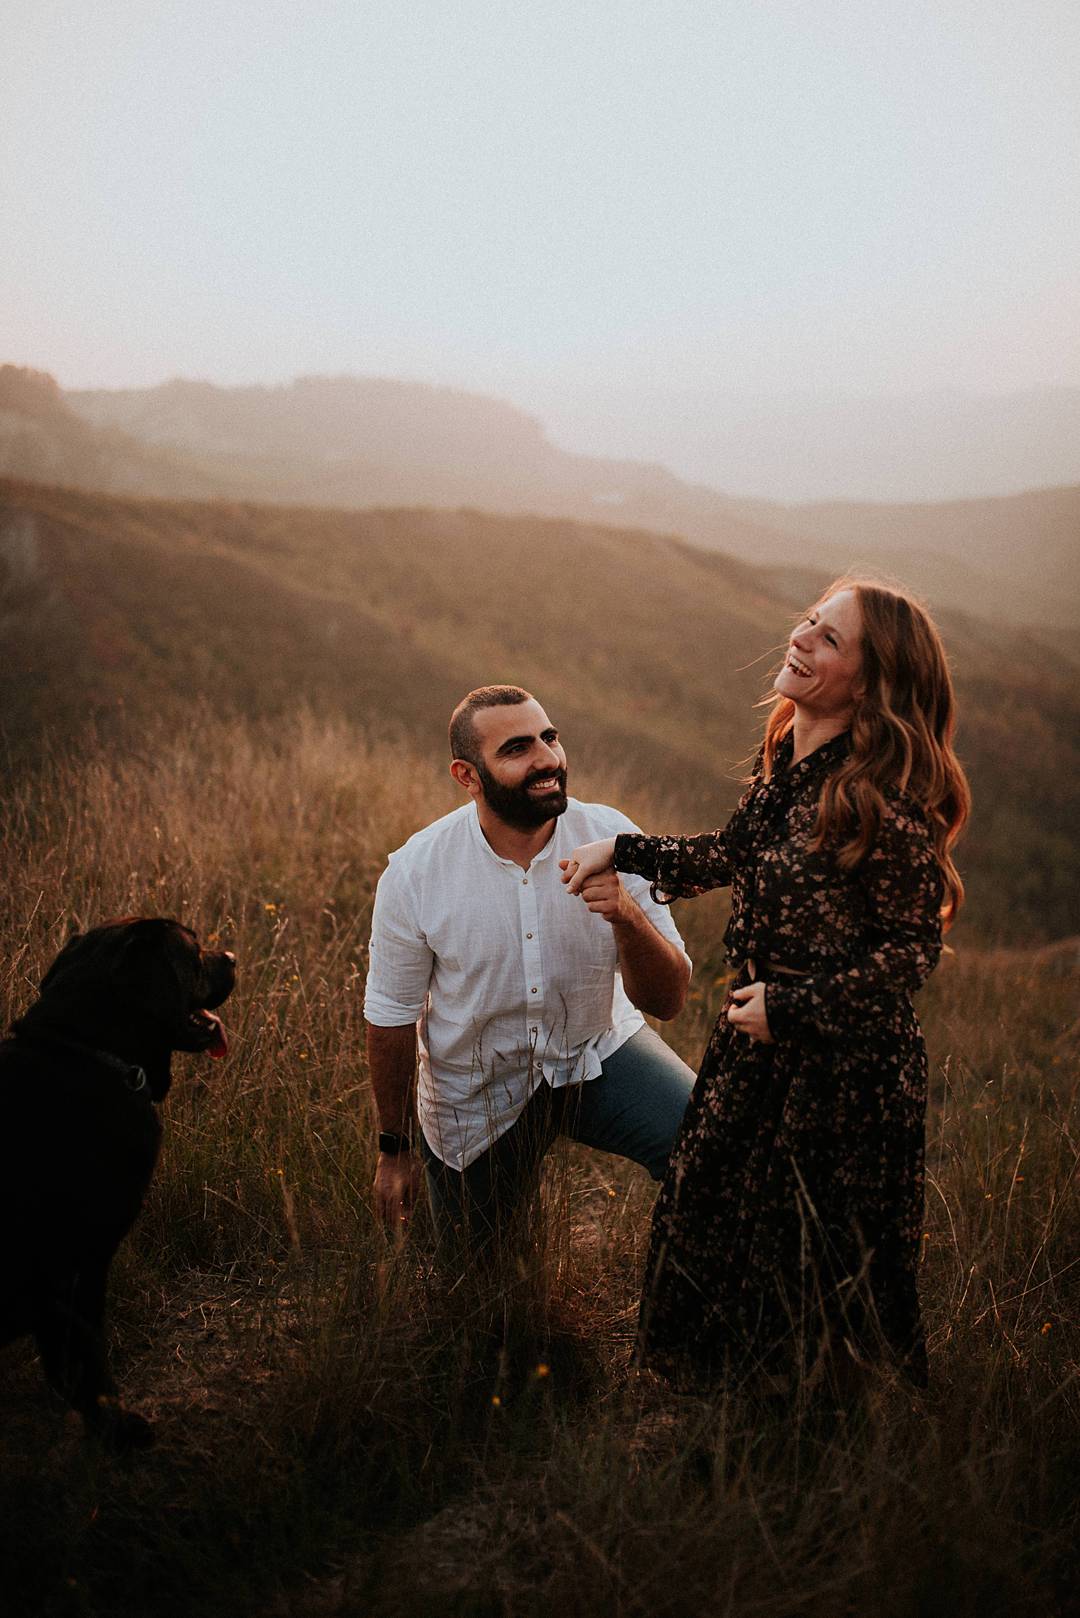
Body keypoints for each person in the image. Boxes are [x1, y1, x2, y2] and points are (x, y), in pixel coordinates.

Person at [564, 581, 970, 1391]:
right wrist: (626, 850)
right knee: (712, 1206)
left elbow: (910, 954)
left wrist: (796, 1007)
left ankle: (814, 1440)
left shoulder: (880, 798)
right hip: (755, 1046)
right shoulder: (786, 756)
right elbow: (732, 851)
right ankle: (722, 1405)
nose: (802, 639)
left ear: (871, 682)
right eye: (809, 621)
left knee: (816, 1254)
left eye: (829, 640)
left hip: (842, 1071)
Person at [363, 685, 695, 1253]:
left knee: (708, 1145)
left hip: (596, 1049)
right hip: (478, 1092)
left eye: (549, 737)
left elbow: (668, 1000)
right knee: (478, 1283)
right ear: (468, 776)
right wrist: (394, 1152)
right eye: (517, 748)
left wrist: (627, 916)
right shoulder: (416, 873)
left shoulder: (612, 836)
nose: (546, 758)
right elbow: (390, 1018)